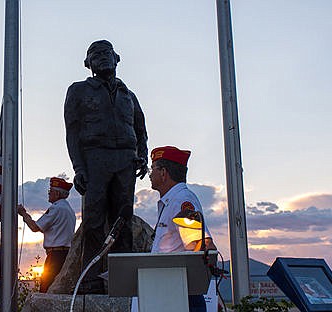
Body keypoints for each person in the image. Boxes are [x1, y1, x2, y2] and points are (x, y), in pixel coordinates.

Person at [64, 39, 148, 293]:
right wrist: (79, 167)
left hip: (125, 160)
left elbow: (140, 129)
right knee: (93, 221)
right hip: (95, 158)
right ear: (88, 63)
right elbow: (72, 131)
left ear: (116, 58)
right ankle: (90, 280)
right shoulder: (78, 90)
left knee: (122, 220)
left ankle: (120, 280)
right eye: (95, 54)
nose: (101, 57)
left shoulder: (129, 95)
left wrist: (142, 155)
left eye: (106, 52)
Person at [149, 146, 217, 312]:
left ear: (164, 173)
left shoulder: (182, 200)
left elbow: (201, 244)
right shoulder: (171, 201)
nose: (150, 175)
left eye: (153, 169)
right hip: (170, 290)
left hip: (182, 295)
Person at [17, 177, 76, 293]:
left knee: (45, 290)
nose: (49, 194)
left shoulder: (56, 208)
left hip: (55, 256)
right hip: (66, 254)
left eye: (50, 192)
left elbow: (35, 227)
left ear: (57, 193)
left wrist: (24, 214)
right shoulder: (70, 210)